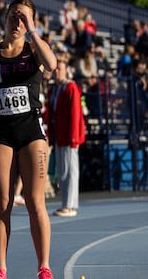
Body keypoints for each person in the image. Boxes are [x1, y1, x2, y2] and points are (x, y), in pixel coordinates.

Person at [0, 0, 57, 279]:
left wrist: (33, 29)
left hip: (32, 132)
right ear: (4, 17)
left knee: (34, 201)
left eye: (23, 17)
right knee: (1, 203)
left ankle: (43, 267)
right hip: (1, 134)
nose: (16, 22)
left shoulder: (35, 50)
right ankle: (0, 268)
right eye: (13, 16)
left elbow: (53, 64)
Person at [45, 56, 86, 217]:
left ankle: (70, 205)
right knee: (62, 171)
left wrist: (74, 137)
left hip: (70, 137)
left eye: (59, 69)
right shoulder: (54, 89)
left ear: (66, 71)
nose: (56, 72)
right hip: (59, 136)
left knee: (70, 170)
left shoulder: (71, 88)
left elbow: (75, 114)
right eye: (55, 69)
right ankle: (65, 203)